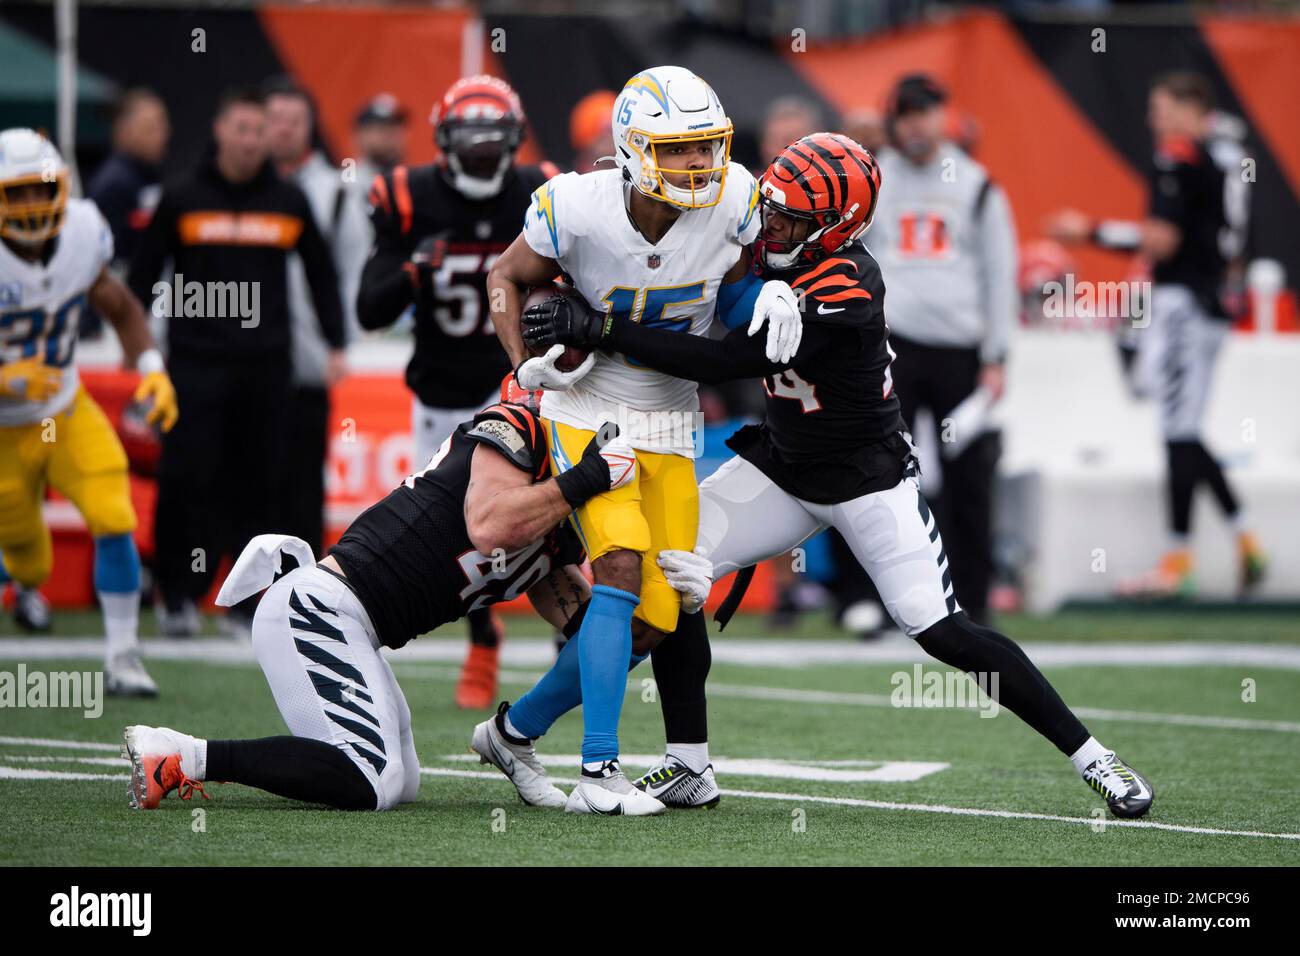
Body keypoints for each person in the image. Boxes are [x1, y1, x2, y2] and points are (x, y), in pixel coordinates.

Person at [518, 132, 1155, 822]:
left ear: (835, 227)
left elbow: (723, 362)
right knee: (674, 576)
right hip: (784, 466)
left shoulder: (848, 281)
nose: (772, 225)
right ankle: (689, 763)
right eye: (771, 208)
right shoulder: (768, 245)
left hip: (865, 479)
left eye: (791, 219)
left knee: (939, 629)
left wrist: (603, 326)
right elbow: (709, 269)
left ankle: (1095, 758)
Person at [484, 65, 801, 816]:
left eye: (706, 147)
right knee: (618, 572)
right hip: (587, 411)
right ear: (630, 149)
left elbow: (731, 289)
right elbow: (507, 275)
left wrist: (773, 290)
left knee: (660, 618)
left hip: (675, 419)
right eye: (679, 149)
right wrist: (522, 367)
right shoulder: (575, 206)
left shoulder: (733, 199)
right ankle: (599, 771)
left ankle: (513, 729)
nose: (698, 164)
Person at [122, 387, 637, 812]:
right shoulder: (515, 429)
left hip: (352, 626)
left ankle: (507, 736)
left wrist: (659, 606)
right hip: (317, 608)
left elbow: (596, 641)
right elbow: (490, 526)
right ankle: (185, 755)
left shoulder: (553, 523)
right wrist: (587, 477)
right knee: (372, 779)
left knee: (402, 782)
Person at [356, 75, 558, 710]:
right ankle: (482, 640)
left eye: (489, 144)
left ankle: (562, 648)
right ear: (444, 144)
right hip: (444, 394)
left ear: (513, 143)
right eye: (468, 145)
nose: (479, 155)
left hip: (525, 392)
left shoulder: (540, 191)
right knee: (460, 532)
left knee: (553, 519)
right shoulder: (407, 197)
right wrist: (417, 266)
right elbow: (368, 307)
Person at [128, 86, 346, 637]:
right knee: (187, 478)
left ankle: (251, 605)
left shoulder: (289, 201)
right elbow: (138, 277)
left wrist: (337, 342)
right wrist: (139, 352)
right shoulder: (181, 198)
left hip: (266, 369)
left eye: (259, 131)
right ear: (220, 130)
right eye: (241, 129)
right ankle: (176, 594)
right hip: (193, 370)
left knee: (262, 485)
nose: (251, 141)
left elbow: (321, 274)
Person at [1047, 71, 1266, 597]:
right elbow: (1228, 238)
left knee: (1174, 426)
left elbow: (1161, 243)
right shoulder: (1230, 151)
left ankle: (1178, 560)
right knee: (1183, 425)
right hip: (1212, 300)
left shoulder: (1182, 156)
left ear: (1192, 111)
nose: (1154, 121)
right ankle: (1243, 539)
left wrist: (1089, 231)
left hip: (1184, 304)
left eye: (1163, 110)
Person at [0, 128, 178, 694]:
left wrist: (151, 367)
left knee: (113, 512)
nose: (31, 205)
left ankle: (123, 654)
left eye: (41, 189)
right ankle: (24, 584)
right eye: (17, 192)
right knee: (30, 562)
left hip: (63, 410)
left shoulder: (83, 229)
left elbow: (117, 303)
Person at [868, 73, 1018, 625]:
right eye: (905, 114)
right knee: (888, 477)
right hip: (896, 348)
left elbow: (1001, 275)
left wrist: (998, 356)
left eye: (924, 112)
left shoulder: (976, 184)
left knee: (967, 479)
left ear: (942, 115)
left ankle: (973, 601)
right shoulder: (878, 178)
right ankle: (894, 602)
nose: (915, 124)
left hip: (960, 351)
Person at [264, 79, 365, 557]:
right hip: (243, 356)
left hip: (308, 360)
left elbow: (351, 274)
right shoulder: (238, 191)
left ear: (310, 127)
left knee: (302, 475)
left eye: (294, 121)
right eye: (275, 119)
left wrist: (337, 342)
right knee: (243, 471)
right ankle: (232, 590)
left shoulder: (336, 193)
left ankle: (296, 581)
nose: (283, 130)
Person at [87, 89, 170, 272]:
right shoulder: (114, 183)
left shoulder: (146, 175)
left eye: (164, 126)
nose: (162, 135)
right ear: (124, 131)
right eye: (150, 128)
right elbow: (108, 257)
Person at [352, 93, 408, 191]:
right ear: (361, 135)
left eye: (395, 127)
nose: (390, 135)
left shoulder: (411, 182)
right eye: (381, 128)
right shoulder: (346, 184)